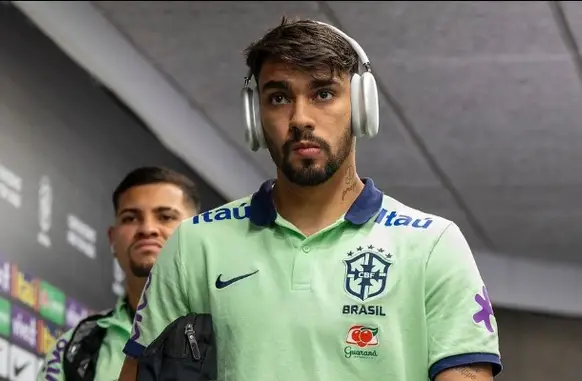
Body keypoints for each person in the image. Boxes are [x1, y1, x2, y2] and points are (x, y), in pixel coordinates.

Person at [118, 18, 502, 381]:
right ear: (256, 116)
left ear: (361, 107)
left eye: (322, 93)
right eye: (279, 98)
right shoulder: (194, 245)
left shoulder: (433, 245)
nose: (301, 118)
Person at [37, 166, 201, 381]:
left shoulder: (233, 324)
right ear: (112, 239)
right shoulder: (74, 347)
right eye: (130, 218)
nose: (147, 228)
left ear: (199, 234)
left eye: (165, 217)